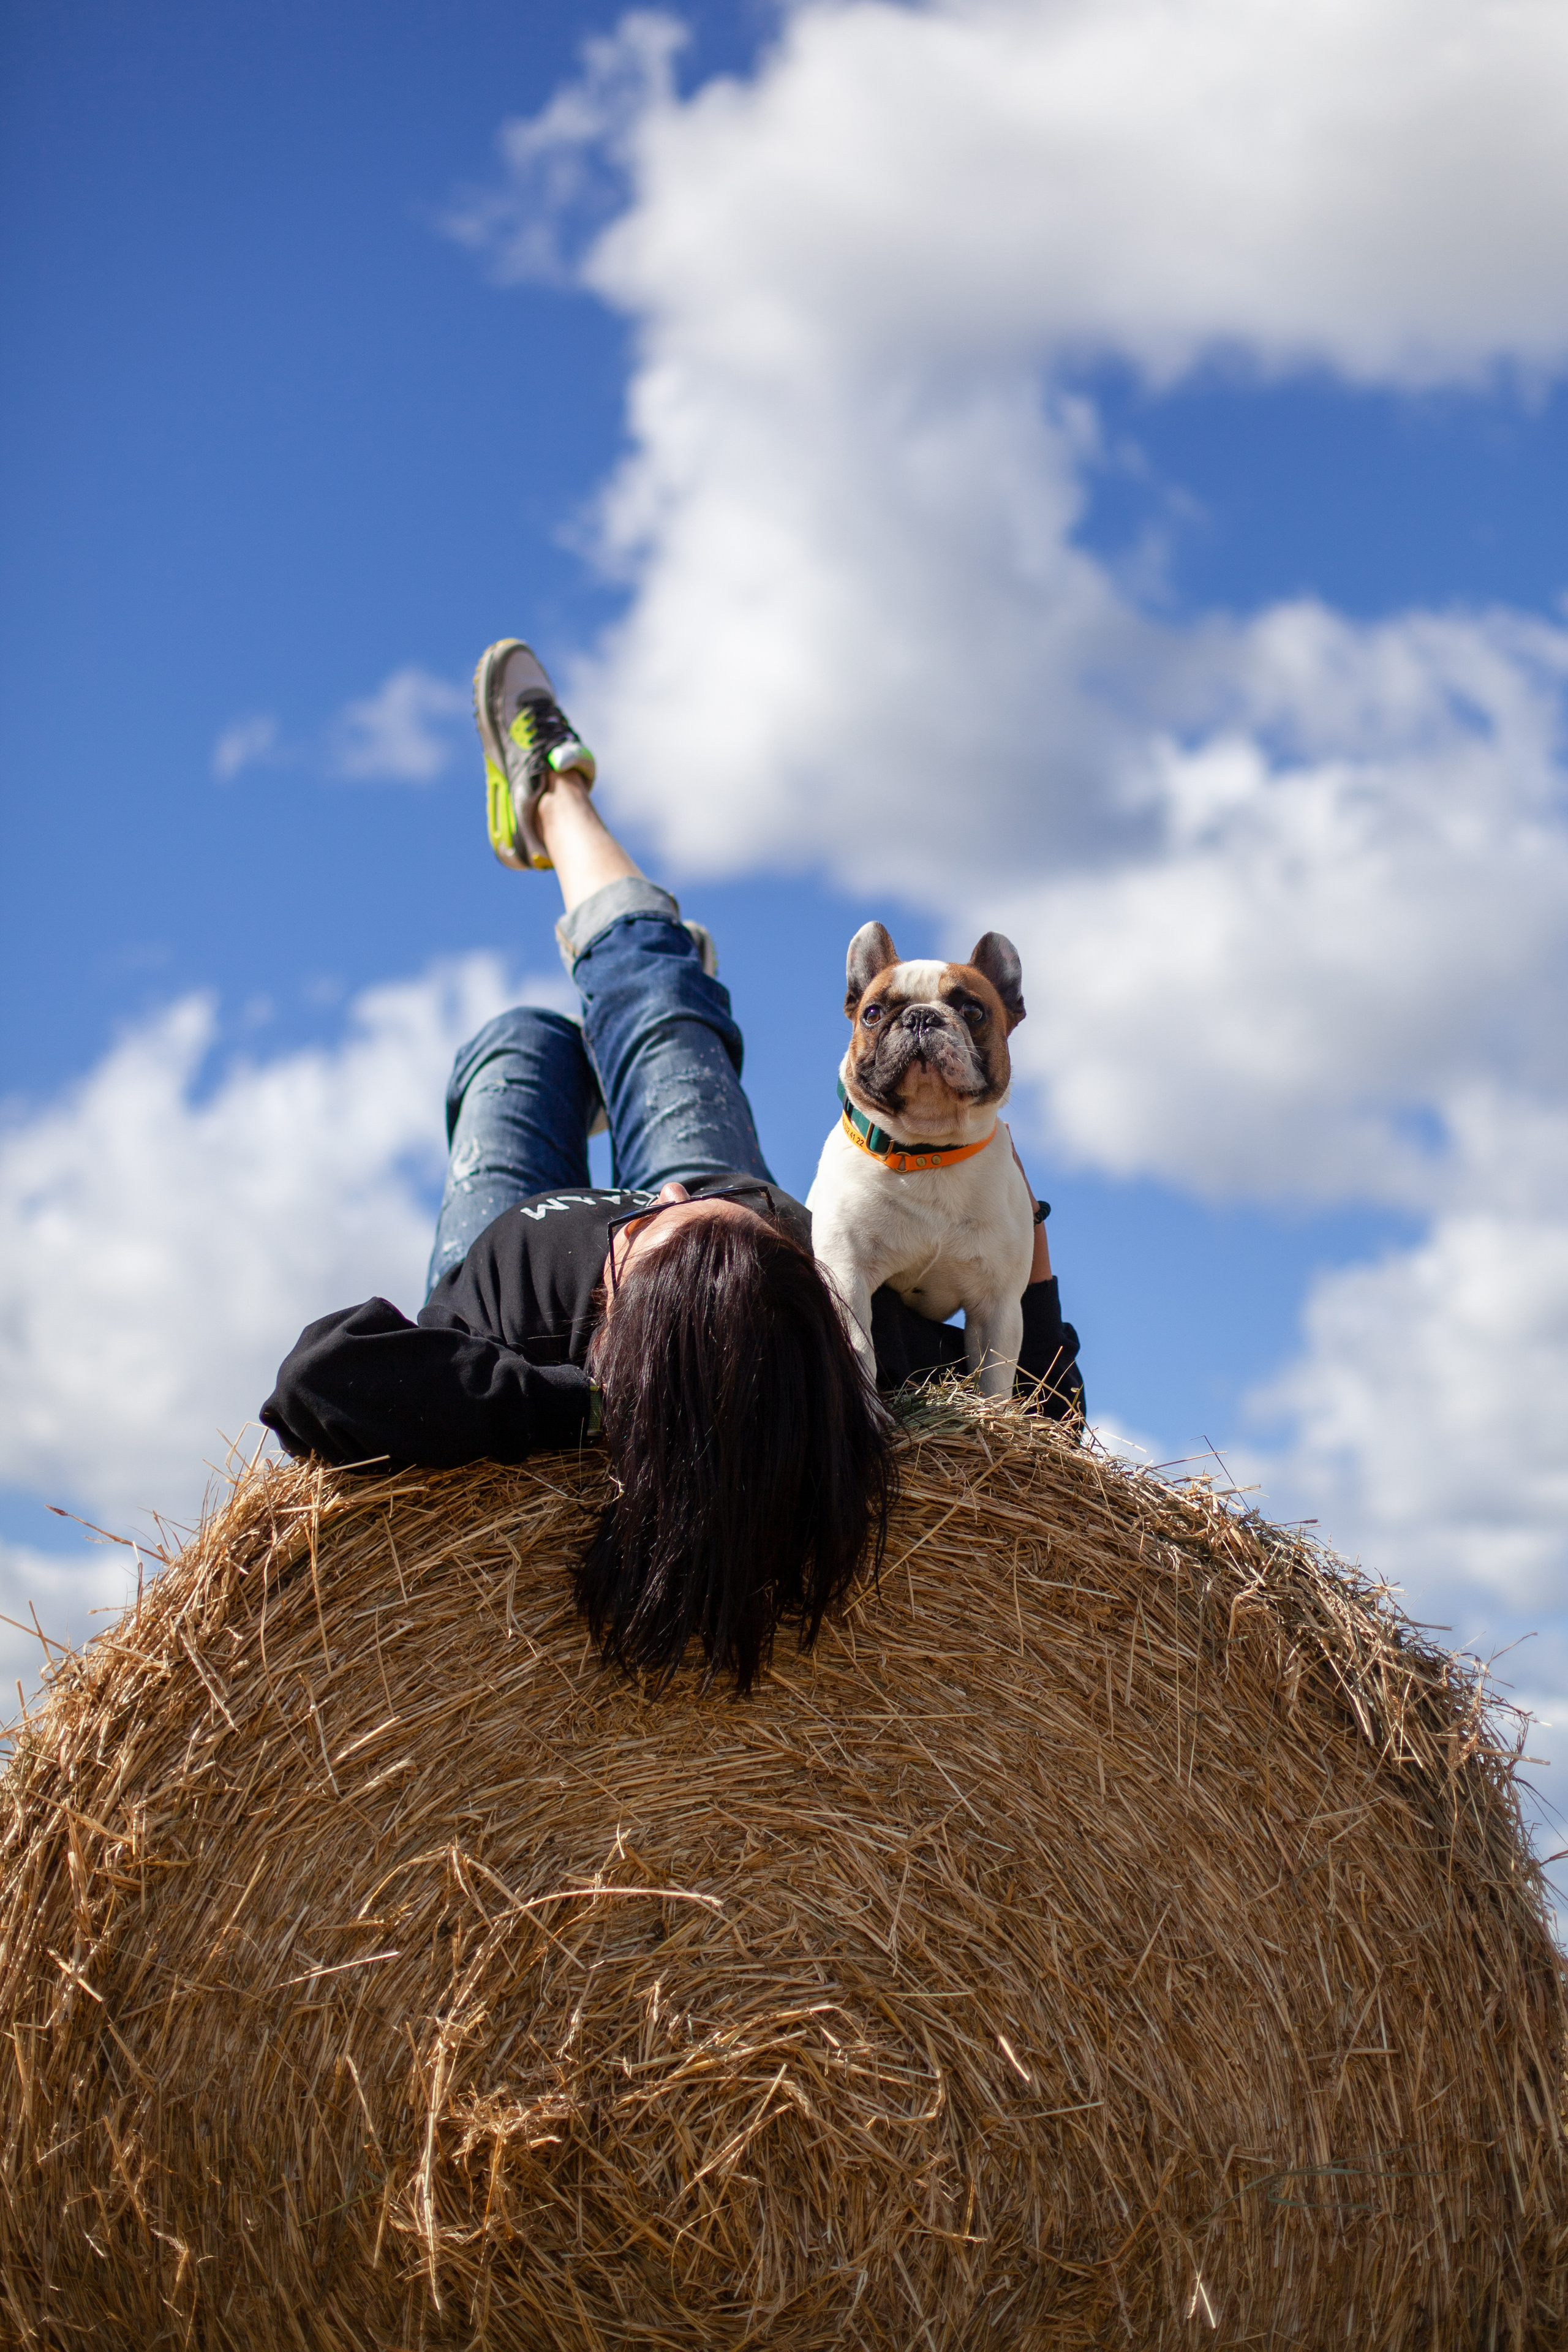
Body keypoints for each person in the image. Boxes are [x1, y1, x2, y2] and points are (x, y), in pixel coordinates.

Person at [262, 639, 1083, 1691]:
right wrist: (1019, 1208)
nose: (667, 1194)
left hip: (503, 1253)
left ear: (616, 1315)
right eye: (713, 1219)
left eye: (660, 1225)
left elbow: (317, 1377)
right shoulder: (831, 1329)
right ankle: (556, 796)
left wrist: (600, 1400)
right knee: (658, 993)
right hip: (735, 1279)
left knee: (519, 1046)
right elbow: (1045, 1418)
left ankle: (606, 1031)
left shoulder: (508, 1338)